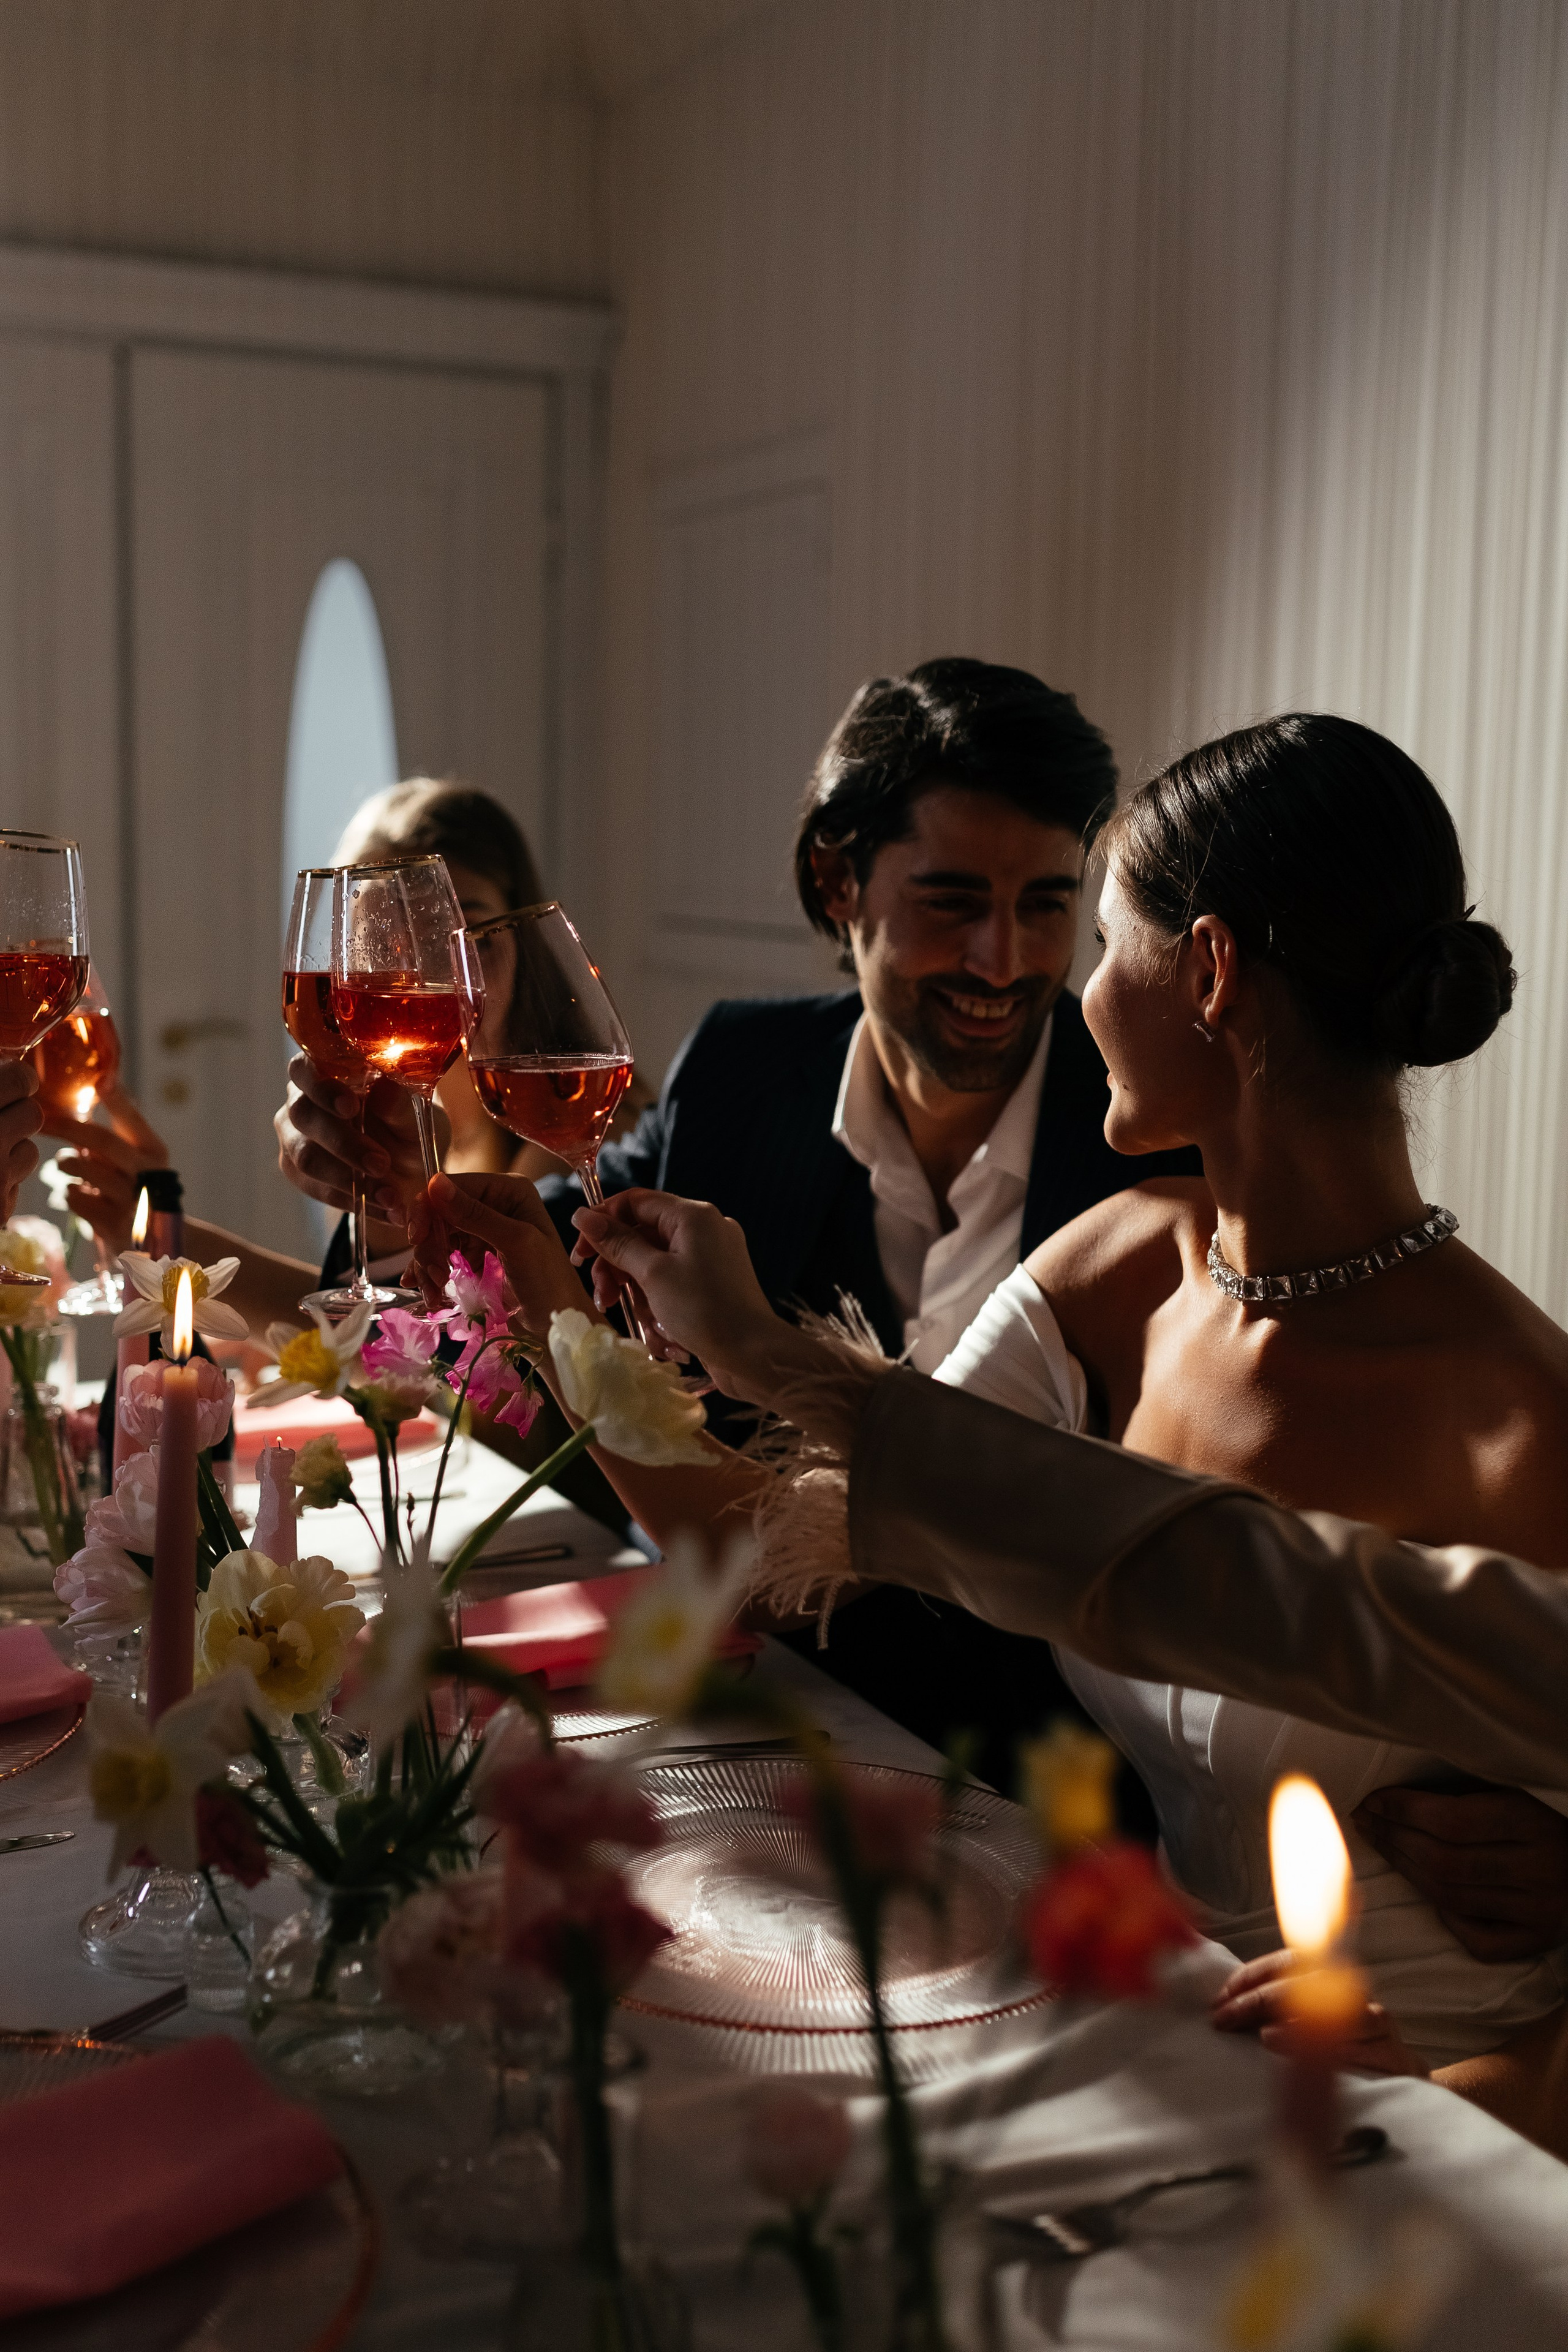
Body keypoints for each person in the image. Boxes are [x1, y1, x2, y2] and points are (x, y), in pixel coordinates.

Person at [404, 712, 1568, 2141]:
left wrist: (1441, 2097)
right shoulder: (1121, 1267)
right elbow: (782, 1543)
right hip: (1153, 2035)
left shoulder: (1522, 1418)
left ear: (1203, 972)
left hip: (1427, 2120)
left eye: (1095, 944)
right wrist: (549, 1301)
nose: (1063, 997)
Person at [283, 660, 1200, 1790]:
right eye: (953, 902)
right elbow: (511, 1261)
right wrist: (385, 1197)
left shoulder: (1154, 1147)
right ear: (837, 883)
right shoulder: (741, 1071)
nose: (1000, 963)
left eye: (1047, 906)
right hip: (738, 1735)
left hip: (1048, 1794)